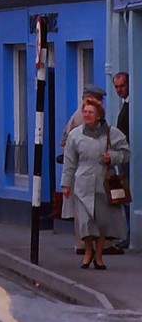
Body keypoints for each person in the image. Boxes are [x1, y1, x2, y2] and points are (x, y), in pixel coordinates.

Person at [61, 98, 130, 270]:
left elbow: (125, 153)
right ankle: (88, 251)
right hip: (83, 182)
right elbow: (69, 162)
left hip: (103, 183)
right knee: (85, 222)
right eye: (85, 111)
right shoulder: (75, 135)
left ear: (99, 115)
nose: (86, 115)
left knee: (102, 223)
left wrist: (112, 157)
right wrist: (66, 184)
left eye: (91, 112)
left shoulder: (111, 133)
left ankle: (98, 255)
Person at [58, 84, 106, 254]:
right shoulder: (83, 118)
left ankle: (85, 245)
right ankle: (83, 246)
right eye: (99, 99)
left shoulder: (77, 115)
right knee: (84, 211)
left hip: (81, 169)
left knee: (85, 210)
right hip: (83, 170)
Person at [112, 71, 130, 249]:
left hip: (128, 158)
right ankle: (127, 234)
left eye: (122, 86)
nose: (119, 90)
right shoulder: (125, 105)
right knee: (123, 195)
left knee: (126, 195)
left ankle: (130, 234)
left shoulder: (131, 105)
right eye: (116, 87)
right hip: (123, 158)